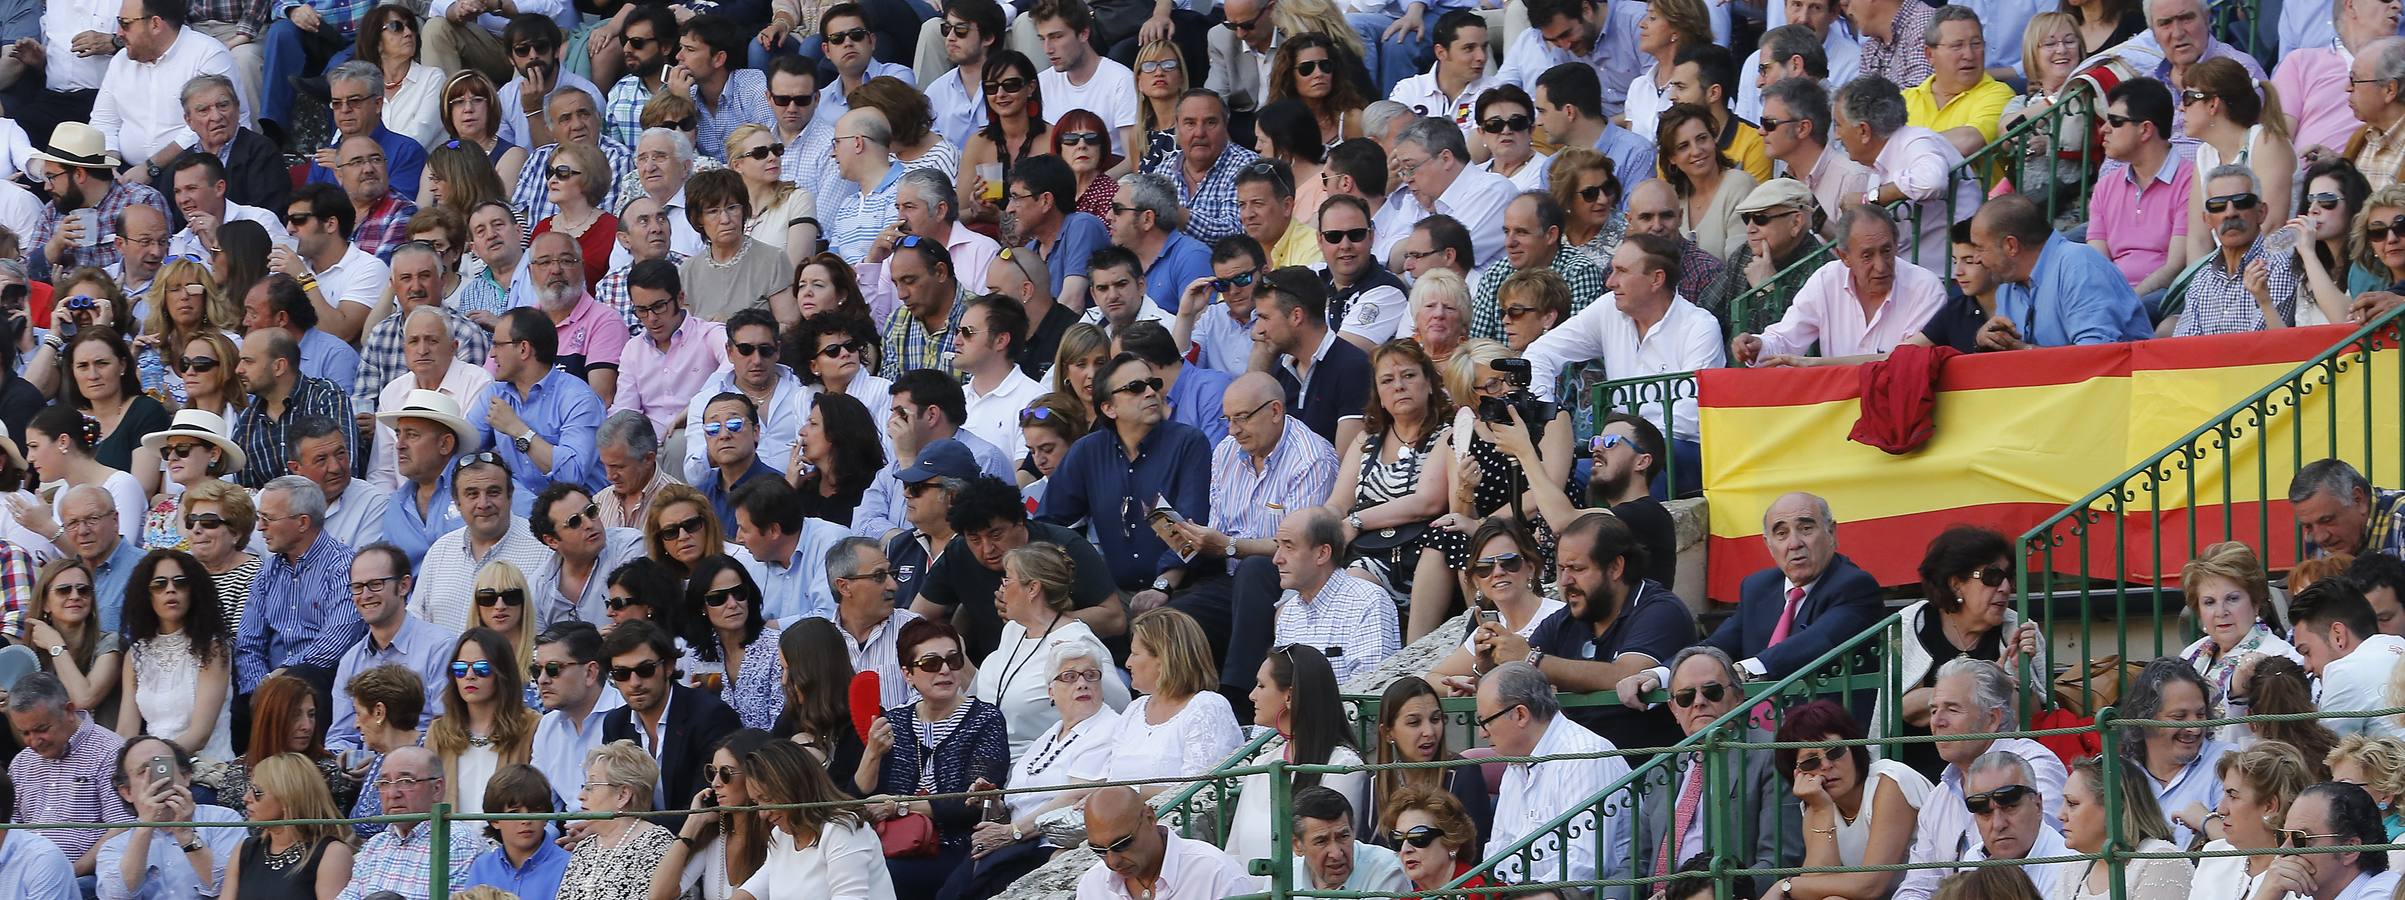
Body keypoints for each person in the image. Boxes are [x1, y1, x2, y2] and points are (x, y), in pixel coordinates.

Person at [1525, 233, 1725, 490]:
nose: (1610, 282)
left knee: (1639, 466)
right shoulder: (1609, 308)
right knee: (1560, 476)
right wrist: (1543, 411)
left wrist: (1625, 443)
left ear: (1656, 279)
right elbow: (1541, 352)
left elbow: (1689, 420)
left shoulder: (1699, 327)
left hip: (1680, 452)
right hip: (1617, 448)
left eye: (1621, 271)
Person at [1893, 658, 2073, 900]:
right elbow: (1917, 887)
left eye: (1952, 709)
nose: (1937, 722)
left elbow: (2034, 863)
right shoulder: (1939, 797)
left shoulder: (2031, 764)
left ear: (1992, 719)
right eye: (1934, 710)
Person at [1875, 525, 2046, 778]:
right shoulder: (1911, 625)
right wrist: (1979, 695)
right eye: (1992, 577)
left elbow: (2031, 722)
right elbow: (1901, 708)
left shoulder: (2018, 629)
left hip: (1994, 777)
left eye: (2009, 577)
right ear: (1956, 584)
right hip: (1913, 775)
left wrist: (2021, 676)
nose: (2006, 587)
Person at [860, 619, 1007, 893]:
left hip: (956, 846)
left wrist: (899, 806)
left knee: (880, 878)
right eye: (931, 663)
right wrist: (872, 753)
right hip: (891, 844)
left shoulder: (985, 719)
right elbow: (861, 799)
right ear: (907, 674)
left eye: (953, 660)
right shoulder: (895, 721)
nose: (945, 670)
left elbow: (972, 803)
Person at [1634, 646, 1803, 878]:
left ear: (1738, 698)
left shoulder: (1769, 754)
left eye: (1712, 691)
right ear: (1674, 709)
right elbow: (1637, 861)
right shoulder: (1663, 764)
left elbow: (1778, 859)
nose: (1699, 702)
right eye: (1686, 696)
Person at [1477, 661, 1631, 888]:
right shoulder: (1516, 762)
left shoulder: (1586, 756)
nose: (1481, 733)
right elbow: (1498, 852)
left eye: (1485, 721)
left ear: (1520, 715)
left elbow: (1586, 867)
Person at [1763, 700, 1933, 900]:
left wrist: (1785, 885)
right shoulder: (1817, 801)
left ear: (1854, 748)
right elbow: (1816, 886)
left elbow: (1870, 886)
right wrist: (1822, 810)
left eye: (1835, 751)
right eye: (1811, 761)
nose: (1826, 765)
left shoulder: (1890, 781)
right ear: (1797, 773)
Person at [1223, 644, 1368, 864]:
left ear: (1289, 695)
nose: (1252, 695)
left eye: (1262, 686)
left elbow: (1336, 857)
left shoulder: (1344, 766)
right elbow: (1232, 855)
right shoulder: (1262, 763)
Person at [600, 619, 744, 828]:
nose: (634, 683)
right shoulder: (615, 724)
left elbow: (706, 806)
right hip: (639, 843)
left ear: (668, 666)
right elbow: (614, 800)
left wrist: (630, 829)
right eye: (622, 674)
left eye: (645, 669)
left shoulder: (710, 716)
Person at [1831, 73, 1980, 272]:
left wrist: (1869, 199)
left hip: (1953, 281)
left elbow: (1931, 182)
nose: (1836, 135)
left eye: (1839, 125)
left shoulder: (1916, 141)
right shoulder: (1877, 167)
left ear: (1864, 131)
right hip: (1918, 280)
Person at [1971, 194, 2155, 349]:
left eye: (1980, 248)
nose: (1976, 259)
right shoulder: (2006, 286)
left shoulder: (2079, 265)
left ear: (2011, 245)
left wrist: (2023, 351)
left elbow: (2096, 357)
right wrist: (1986, 340)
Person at [234, 476, 363, 698]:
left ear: (302, 523)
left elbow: (334, 644)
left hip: (322, 688)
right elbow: (248, 643)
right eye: (259, 517)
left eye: (268, 518)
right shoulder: (269, 570)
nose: (260, 527)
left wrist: (279, 679)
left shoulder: (344, 568)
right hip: (267, 692)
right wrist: (259, 690)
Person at [6, 671, 134, 874]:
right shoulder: (22, 762)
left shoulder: (110, 752)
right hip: (24, 877)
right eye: (25, 733)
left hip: (83, 880)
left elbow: (122, 828)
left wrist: (71, 871)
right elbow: (9, 828)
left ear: (69, 710)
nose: (33, 741)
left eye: (41, 729)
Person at [732, 739, 895, 899]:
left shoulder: (842, 829)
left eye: (767, 799)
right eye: (756, 802)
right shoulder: (780, 837)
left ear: (796, 787)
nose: (762, 813)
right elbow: (756, 887)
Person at [95, 732, 248, 899]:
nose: (156, 779)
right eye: (144, 771)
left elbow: (233, 888)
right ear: (127, 792)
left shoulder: (223, 821)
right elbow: (115, 896)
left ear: (186, 776)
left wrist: (187, 836)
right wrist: (145, 827)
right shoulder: (114, 846)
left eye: (162, 767)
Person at [116, 549, 236, 761]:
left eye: (180, 582)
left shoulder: (213, 648)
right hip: (154, 770)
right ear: (146, 594)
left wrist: (151, 763)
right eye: (159, 584)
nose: (170, 590)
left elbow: (200, 735)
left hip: (206, 772)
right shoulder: (136, 654)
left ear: (194, 591)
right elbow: (126, 731)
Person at [2086, 77, 2195, 299]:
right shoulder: (2106, 186)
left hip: (2163, 295)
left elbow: (2175, 267)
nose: (2103, 130)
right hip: (2113, 298)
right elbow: (2098, 264)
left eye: (2115, 121)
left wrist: (2128, 304)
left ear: (2145, 130)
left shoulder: (2191, 180)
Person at [26, 124, 173, 278]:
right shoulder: (52, 211)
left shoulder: (142, 201)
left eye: (51, 177)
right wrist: (55, 246)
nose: (46, 186)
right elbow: (26, 277)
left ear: (79, 174)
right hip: (65, 300)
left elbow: (164, 265)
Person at [1073, 784, 1261, 898]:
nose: (1112, 862)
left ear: (1150, 818)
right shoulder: (1093, 884)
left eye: (1122, 844)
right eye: (1098, 850)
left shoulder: (1216, 873)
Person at [1255, 268, 1372, 447]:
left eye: (1265, 317)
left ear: (1296, 316)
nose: (1258, 330)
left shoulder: (1353, 368)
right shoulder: (1280, 370)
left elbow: (1345, 462)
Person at [219, 752, 358, 900]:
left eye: (257, 792)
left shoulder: (331, 853)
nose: (246, 798)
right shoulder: (245, 850)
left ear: (288, 797)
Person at [2190, 742, 2319, 900]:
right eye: (2224, 794)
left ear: (2270, 806)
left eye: (2233, 796)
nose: (2221, 810)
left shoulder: (2306, 875)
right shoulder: (2215, 855)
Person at [554, 740, 678, 900]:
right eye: (584, 786)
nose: (581, 796)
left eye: (591, 786)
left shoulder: (656, 844)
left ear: (623, 795)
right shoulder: (585, 848)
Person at [2290, 577, 2405, 738]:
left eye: (2307, 652)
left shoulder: (2343, 673)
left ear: (2338, 636)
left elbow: (2324, 756)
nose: (2307, 666)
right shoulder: (2398, 643)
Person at [1531, 63, 1658, 202]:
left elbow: (1638, 219)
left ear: (1569, 111)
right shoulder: (1551, 167)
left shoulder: (1637, 154)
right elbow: (1547, 222)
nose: (1538, 122)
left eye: (1542, 111)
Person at [2255, 782, 2400, 900]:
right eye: (2282, 837)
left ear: (2349, 849)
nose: (2283, 851)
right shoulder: (2293, 890)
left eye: (2300, 838)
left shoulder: (2386, 893)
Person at [25, 557, 122, 722]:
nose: (75, 596)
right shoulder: (32, 654)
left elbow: (84, 700)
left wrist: (55, 645)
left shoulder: (110, 643)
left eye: (83, 590)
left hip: (103, 745)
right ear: (45, 603)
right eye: (64, 590)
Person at [460, 766, 571, 898]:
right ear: (495, 820)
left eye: (534, 811)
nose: (525, 820)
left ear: (547, 816)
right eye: (514, 812)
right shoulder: (482, 866)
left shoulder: (569, 865)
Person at [2292, 459, 2405, 559]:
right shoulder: (2314, 539)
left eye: (2327, 520)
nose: (2319, 538)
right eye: (2308, 527)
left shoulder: (2401, 518)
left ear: (2357, 499)